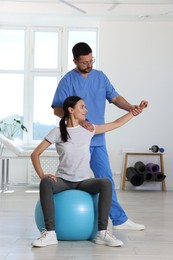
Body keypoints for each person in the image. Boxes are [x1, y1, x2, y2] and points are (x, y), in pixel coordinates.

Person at [51, 42, 148, 231]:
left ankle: (119, 220)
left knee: (106, 179)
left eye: (91, 60)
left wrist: (130, 107)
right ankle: (61, 220)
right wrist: (78, 122)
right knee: (71, 179)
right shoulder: (67, 80)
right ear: (75, 61)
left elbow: (115, 97)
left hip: (97, 139)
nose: (89, 64)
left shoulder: (100, 77)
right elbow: (57, 109)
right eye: (84, 62)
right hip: (76, 140)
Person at [31, 96, 146, 248]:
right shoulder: (57, 132)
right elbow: (35, 154)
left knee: (105, 182)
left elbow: (116, 123)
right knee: (45, 182)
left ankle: (102, 233)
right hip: (63, 181)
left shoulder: (88, 129)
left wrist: (134, 111)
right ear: (71, 110)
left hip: (83, 181)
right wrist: (42, 175)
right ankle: (50, 233)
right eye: (82, 107)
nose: (86, 110)